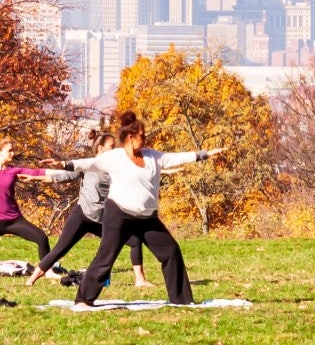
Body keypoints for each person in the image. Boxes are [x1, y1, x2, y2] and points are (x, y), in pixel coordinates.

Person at [46, 111, 224, 308]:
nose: (146, 138)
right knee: (106, 257)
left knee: (171, 251)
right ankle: (83, 299)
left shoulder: (154, 157)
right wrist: (63, 164)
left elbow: (178, 158)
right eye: (142, 135)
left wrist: (205, 154)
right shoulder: (115, 157)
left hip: (147, 219)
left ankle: (182, 300)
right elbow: (89, 164)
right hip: (118, 215)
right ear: (131, 138)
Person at [24, 130, 153, 287]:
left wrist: (162, 169)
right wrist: (35, 177)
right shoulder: (88, 165)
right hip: (83, 215)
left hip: (103, 219)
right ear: (100, 148)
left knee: (134, 241)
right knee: (60, 249)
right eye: (111, 146)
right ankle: (31, 280)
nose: (115, 149)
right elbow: (62, 176)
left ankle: (140, 280)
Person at [0, 138, 50, 262]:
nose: (13, 153)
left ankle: (47, 271)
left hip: (13, 220)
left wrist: (62, 169)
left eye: (13, 151)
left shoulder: (13, 171)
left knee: (42, 238)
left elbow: (36, 172)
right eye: (9, 151)